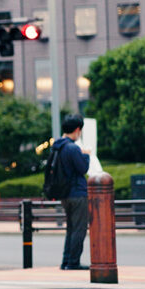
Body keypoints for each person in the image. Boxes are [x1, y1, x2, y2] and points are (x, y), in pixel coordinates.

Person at [54, 115, 91, 270]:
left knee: (71, 228)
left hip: (64, 193)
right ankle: (73, 262)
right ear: (77, 130)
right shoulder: (73, 148)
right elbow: (83, 168)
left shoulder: (58, 146)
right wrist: (86, 155)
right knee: (79, 228)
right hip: (77, 193)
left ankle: (66, 261)